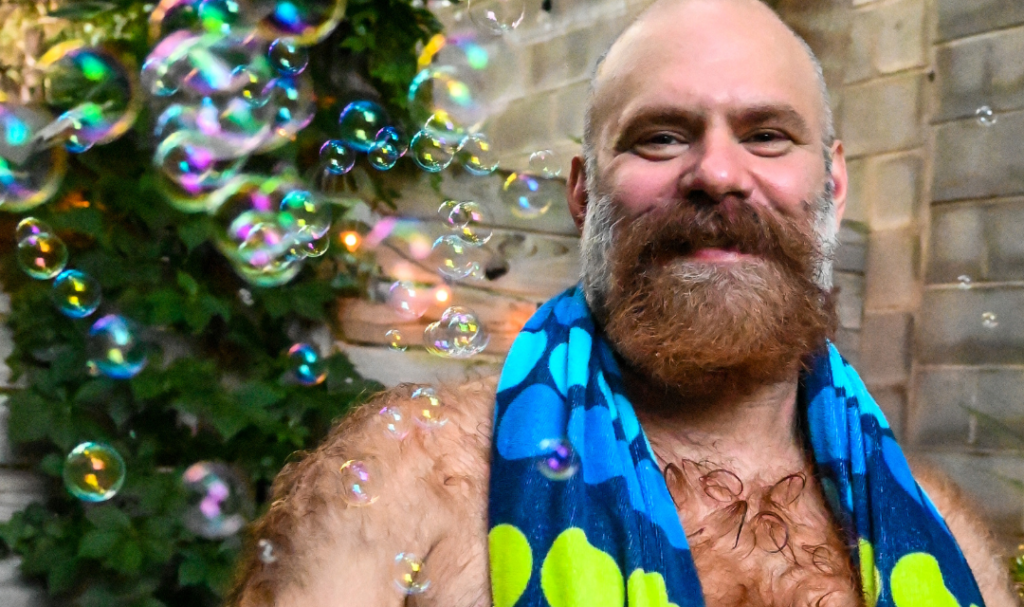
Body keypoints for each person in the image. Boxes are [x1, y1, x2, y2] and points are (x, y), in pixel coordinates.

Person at [229, 0, 1018, 606]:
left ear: (833, 186)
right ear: (583, 194)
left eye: (767, 135)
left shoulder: (946, 536)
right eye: (660, 137)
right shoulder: (410, 478)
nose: (717, 173)